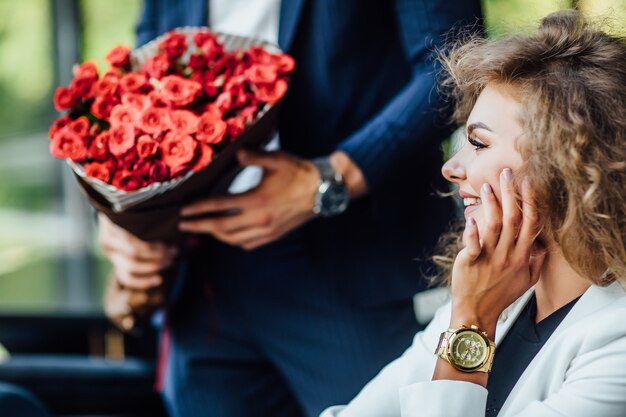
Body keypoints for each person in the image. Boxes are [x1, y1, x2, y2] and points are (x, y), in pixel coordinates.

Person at [98, 1, 482, 416]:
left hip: (352, 262)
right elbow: (144, 81)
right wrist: (124, 217)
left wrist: (330, 180)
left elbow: (453, 65)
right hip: (203, 280)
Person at [320, 9, 626, 417]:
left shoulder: (616, 343)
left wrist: (472, 326)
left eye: (479, 143)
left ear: (568, 163)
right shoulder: (492, 289)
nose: (451, 167)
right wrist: (470, 313)